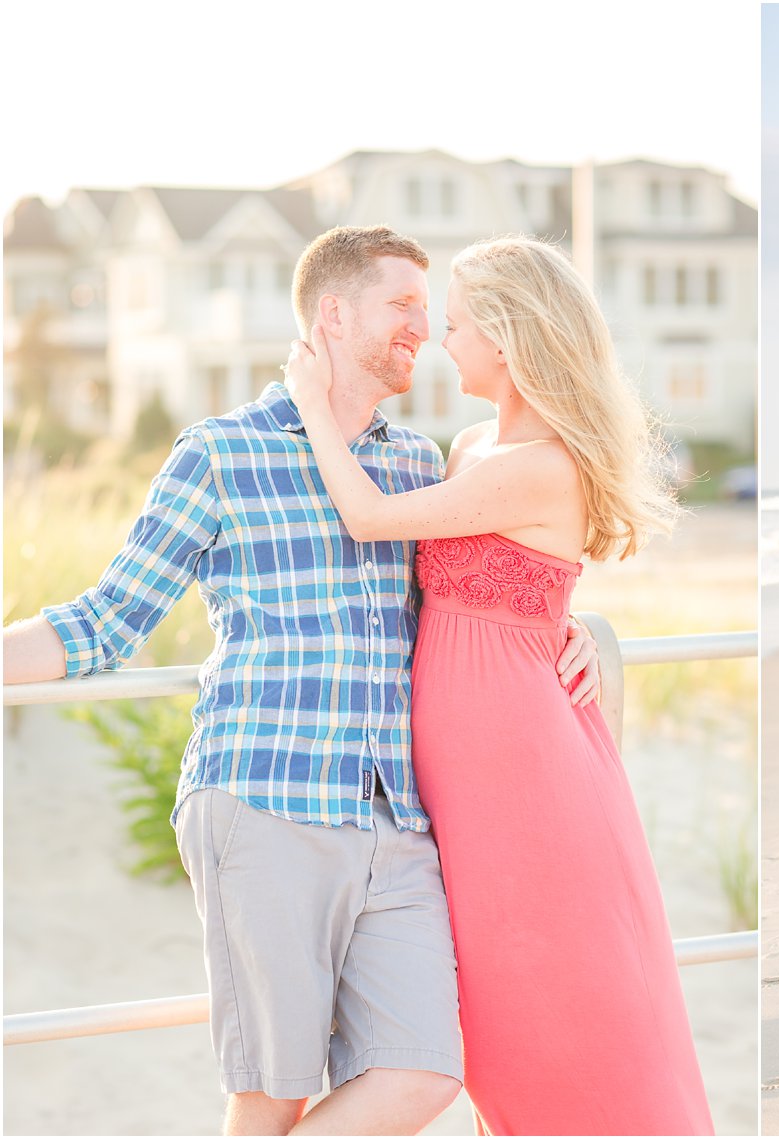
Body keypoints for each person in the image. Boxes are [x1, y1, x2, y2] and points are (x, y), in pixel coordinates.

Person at [2, 225, 599, 1136]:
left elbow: (474, 606)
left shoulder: (414, 464)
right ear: (333, 312)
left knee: (424, 1072)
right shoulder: (218, 454)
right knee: (269, 1093)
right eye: (402, 303)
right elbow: (105, 618)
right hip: (264, 797)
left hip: (396, 819)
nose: (424, 325)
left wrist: (573, 632)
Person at [282, 234, 713, 1135]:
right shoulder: (473, 444)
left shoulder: (542, 462)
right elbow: (479, 582)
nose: (444, 341)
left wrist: (310, 406)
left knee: (539, 982)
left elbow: (368, 518)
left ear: (510, 339)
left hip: (520, 761)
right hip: (463, 753)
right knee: (489, 986)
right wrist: (568, 626)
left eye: (460, 324)